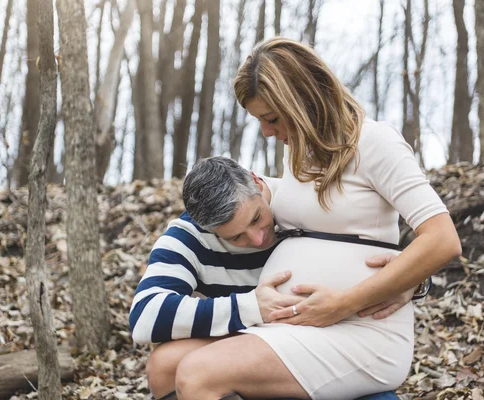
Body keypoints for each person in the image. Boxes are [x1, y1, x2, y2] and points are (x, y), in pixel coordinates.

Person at [168, 37, 461, 400]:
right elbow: (251, 199)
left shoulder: (374, 143)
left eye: (271, 118)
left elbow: (443, 239)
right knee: (167, 363)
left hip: (359, 331)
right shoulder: (297, 158)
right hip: (300, 325)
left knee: (199, 373)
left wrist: (349, 301)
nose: (267, 133)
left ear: (302, 99)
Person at [130, 158, 422, 400]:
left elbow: (377, 246)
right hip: (257, 334)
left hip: (332, 332)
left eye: (257, 218)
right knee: (163, 365)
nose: (258, 239)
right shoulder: (189, 236)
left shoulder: (299, 204)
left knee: (199, 371)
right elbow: (145, 317)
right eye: (236, 237)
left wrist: (413, 281)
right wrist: (251, 307)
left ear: (256, 182)